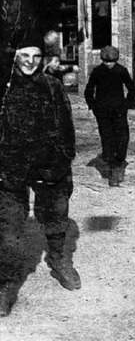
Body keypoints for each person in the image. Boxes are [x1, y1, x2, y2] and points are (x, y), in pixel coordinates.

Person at [0, 32, 80, 316]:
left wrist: (63, 159)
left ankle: (59, 261)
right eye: (25, 56)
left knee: (57, 217)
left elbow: (67, 127)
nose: (30, 62)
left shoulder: (53, 86)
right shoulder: (5, 89)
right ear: (14, 56)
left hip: (49, 166)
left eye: (36, 57)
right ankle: (7, 285)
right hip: (11, 170)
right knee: (7, 233)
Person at [84, 45, 135, 187]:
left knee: (122, 137)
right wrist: (93, 106)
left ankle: (119, 163)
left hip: (119, 111)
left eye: (111, 61)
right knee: (107, 138)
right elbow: (88, 90)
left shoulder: (121, 71)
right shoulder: (97, 71)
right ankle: (112, 169)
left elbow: (132, 89)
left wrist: (126, 105)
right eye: (105, 61)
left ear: (116, 60)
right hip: (102, 112)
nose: (108, 64)